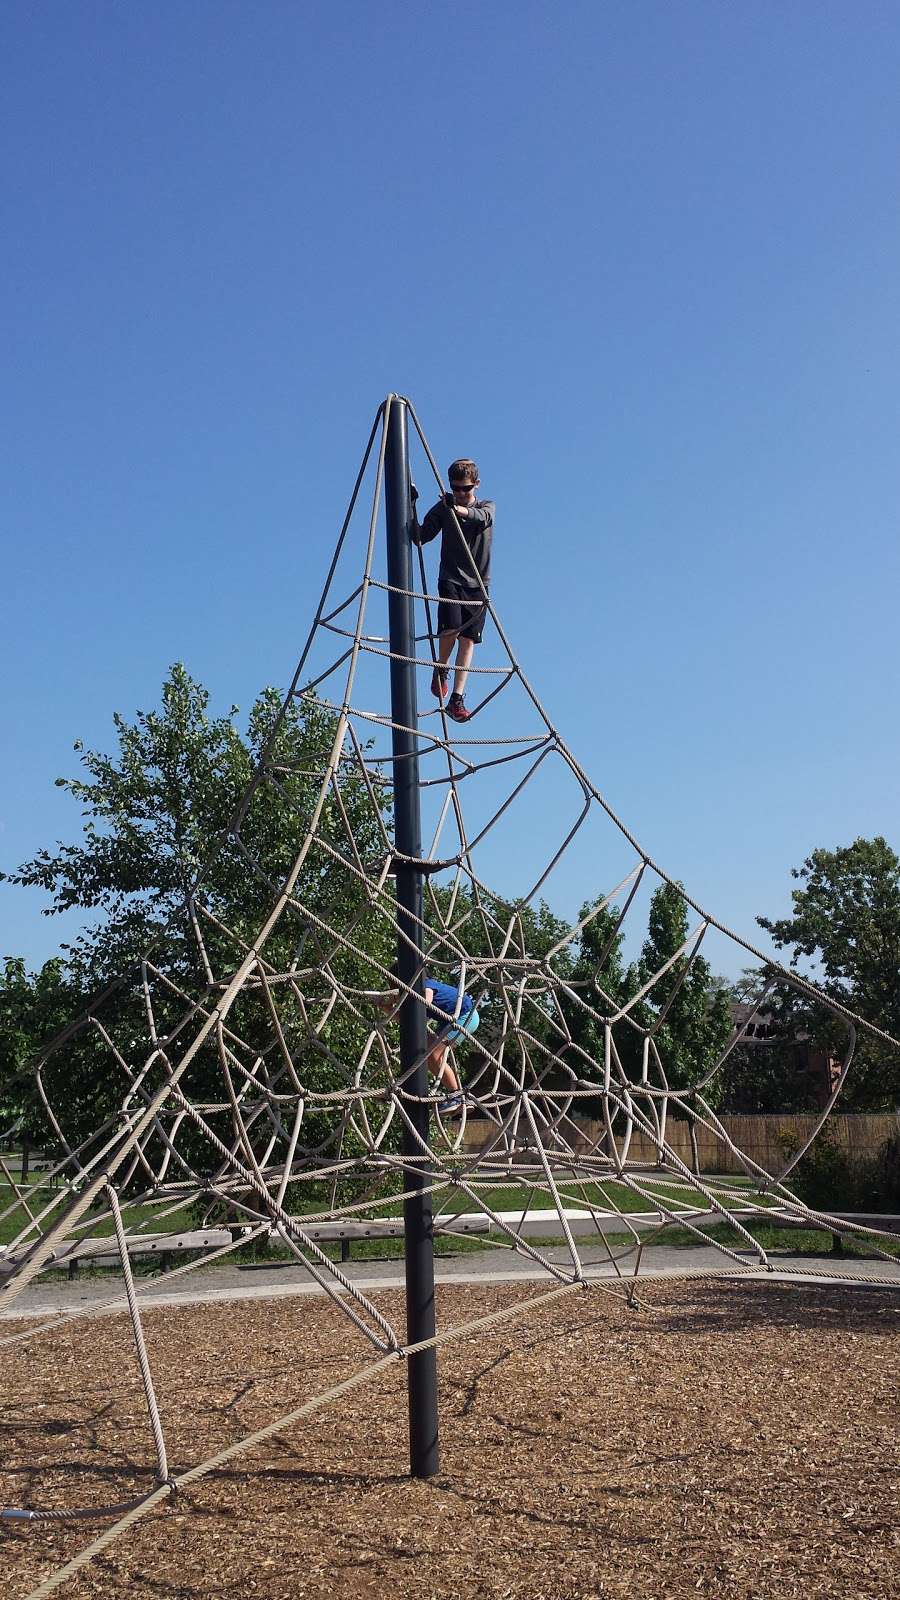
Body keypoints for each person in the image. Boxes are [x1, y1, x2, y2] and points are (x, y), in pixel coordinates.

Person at [411, 458, 495, 723]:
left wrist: (456, 509)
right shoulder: (443, 507)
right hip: (451, 578)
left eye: (465, 489)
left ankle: (456, 698)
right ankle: (440, 668)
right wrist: (411, 505)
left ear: (476, 485)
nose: (460, 493)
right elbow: (420, 537)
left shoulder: (485, 506)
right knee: (451, 629)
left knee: (468, 640)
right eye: (455, 488)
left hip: (478, 583)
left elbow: (481, 518)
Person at [378, 967, 480, 1113]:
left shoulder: (426, 986)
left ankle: (459, 1096)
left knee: (434, 1056)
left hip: (464, 1016)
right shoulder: (419, 989)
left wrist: (401, 1000)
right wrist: (387, 1009)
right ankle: (455, 1095)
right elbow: (410, 1019)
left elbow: (424, 1002)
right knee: (424, 1052)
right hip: (450, 1020)